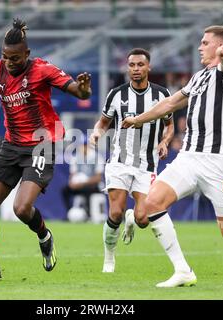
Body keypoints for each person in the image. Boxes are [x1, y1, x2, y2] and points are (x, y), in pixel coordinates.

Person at [123, 25, 223, 287]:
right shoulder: (199, 77)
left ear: (219, 46)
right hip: (188, 157)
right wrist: (138, 119)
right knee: (152, 204)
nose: (200, 46)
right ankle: (183, 270)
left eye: (205, 43)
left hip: (217, 162)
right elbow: (172, 102)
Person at [0, 18, 92, 281]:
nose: (9, 62)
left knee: (21, 209)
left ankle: (44, 235)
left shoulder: (42, 69)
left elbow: (77, 91)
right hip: (11, 145)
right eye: (5, 57)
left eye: (15, 58)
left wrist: (82, 90)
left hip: (42, 144)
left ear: (27, 54)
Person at [89, 48, 174, 273]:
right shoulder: (116, 94)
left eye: (140, 65)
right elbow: (103, 122)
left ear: (149, 67)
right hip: (119, 161)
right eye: (132, 65)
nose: (135, 69)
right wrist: (97, 133)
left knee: (143, 218)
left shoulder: (162, 94)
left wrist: (165, 142)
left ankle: (132, 217)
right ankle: (109, 258)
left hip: (147, 164)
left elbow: (170, 125)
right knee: (114, 213)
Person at [62, 137, 105, 223]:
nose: (83, 147)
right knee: (65, 190)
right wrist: (72, 183)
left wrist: (83, 183)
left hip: (94, 186)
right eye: (82, 145)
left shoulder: (97, 157)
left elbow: (98, 178)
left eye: (85, 145)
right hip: (79, 185)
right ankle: (69, 213)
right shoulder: (76, 157)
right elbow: (72, 174)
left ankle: (89, 215)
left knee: (87, 190)